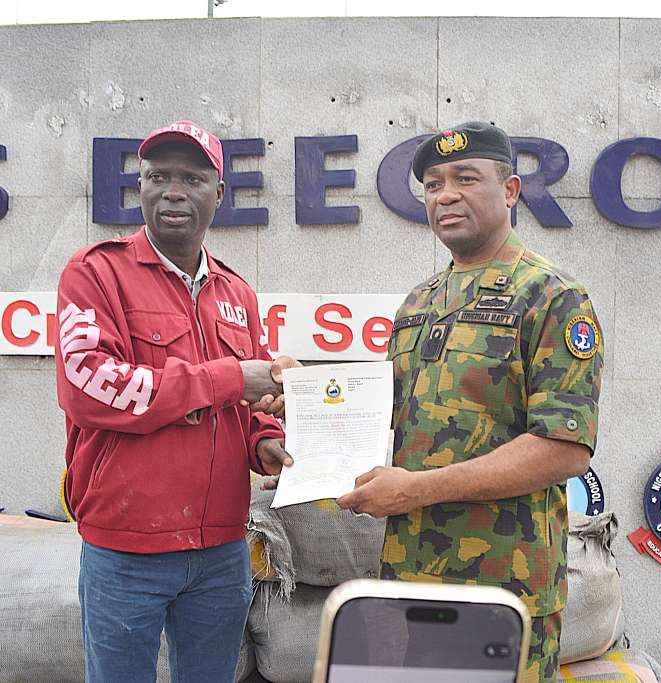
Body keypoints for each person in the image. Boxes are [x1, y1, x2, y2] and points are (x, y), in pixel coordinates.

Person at [336, 121, 604, 683]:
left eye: (465, 178)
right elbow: (387, 410)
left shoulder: (552, 296)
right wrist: (307, 415)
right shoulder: (421, 301)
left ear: (510, 191)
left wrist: (414, 489)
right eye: (433, 184)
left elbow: (564, 450)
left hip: (503, 584)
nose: (446, 195)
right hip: (412, 576)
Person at [55, 120, 295, 683]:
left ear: (219, 193)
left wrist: (265, 439)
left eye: (191, 177)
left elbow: (253, 400)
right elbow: (91, 386)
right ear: (140, 187)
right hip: (126, 549)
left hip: (221, 549)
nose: (173, 191)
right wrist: (229, 379)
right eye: (157, 176)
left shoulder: (237, 293)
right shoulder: (95, 273)